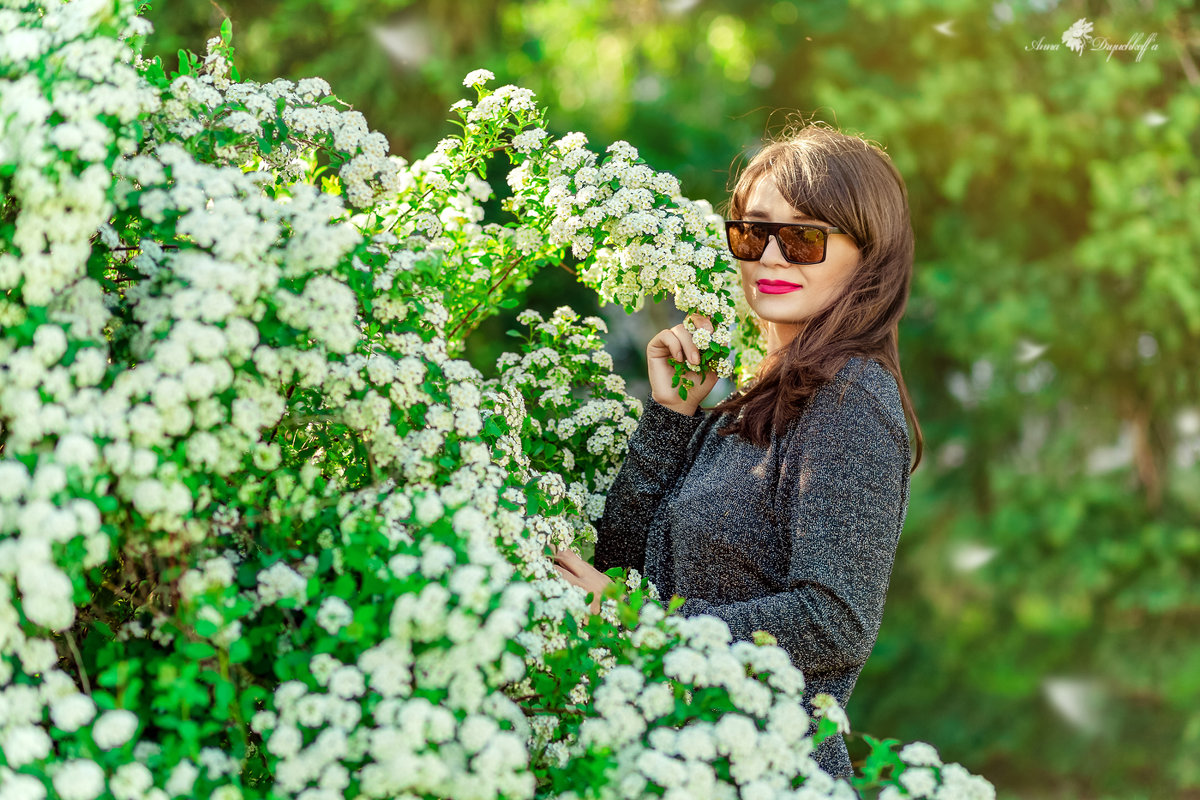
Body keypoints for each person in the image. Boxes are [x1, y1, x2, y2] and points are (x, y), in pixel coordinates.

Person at [550, 122, 924, 781]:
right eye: (753, 233)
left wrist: (646, 623)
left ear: (869, 255)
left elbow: (835, 620)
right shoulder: (753, 397)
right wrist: (672, 416)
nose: (772, 258)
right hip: (670, 765)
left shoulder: (852, 398)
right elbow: (621, 568)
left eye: (804, 237)